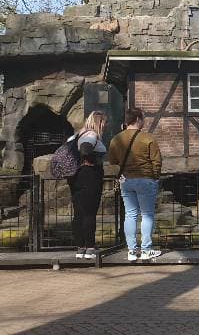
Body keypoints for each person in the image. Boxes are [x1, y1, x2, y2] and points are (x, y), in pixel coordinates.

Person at [108, 108, 163, 261]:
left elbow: (113, 162)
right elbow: (157, 161)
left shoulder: (116, 139)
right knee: (147, 214)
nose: (144, 122)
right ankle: (146, 250)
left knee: (130, 214)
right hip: (145, 178)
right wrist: (155, 177)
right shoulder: (148, 138)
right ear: (138, 119)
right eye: (143, 119)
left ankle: (131, 251)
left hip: (126, 180)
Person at [67, 111, 108, 260]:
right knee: (89, 212)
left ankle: (80, 247)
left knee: (79, 212)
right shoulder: (91, 135)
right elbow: (85, 148)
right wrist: (92, 161)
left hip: (75, 176)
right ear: (100, 122)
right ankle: (90, 247)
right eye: (105, 123)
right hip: (89, 175)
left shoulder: (75, 135)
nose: (106, 126)